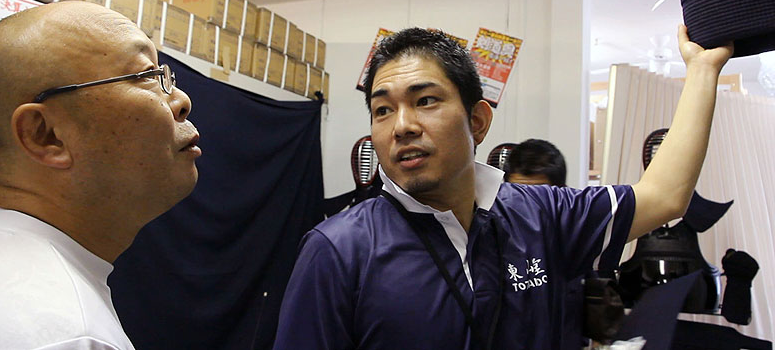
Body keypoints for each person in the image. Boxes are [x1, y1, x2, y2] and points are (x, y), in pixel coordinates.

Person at [273, 26, 731, 349]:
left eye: (425, 101)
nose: (403, 126)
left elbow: (665, 195)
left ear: (477, 121)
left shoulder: (544, 216)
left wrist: (703, 70)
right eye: (382, 110)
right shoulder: (337, 249)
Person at [0, 1, 201, 349]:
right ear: (45, 135)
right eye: (144, 76)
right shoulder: (68, 334)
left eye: (165, 77)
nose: (182, 100)